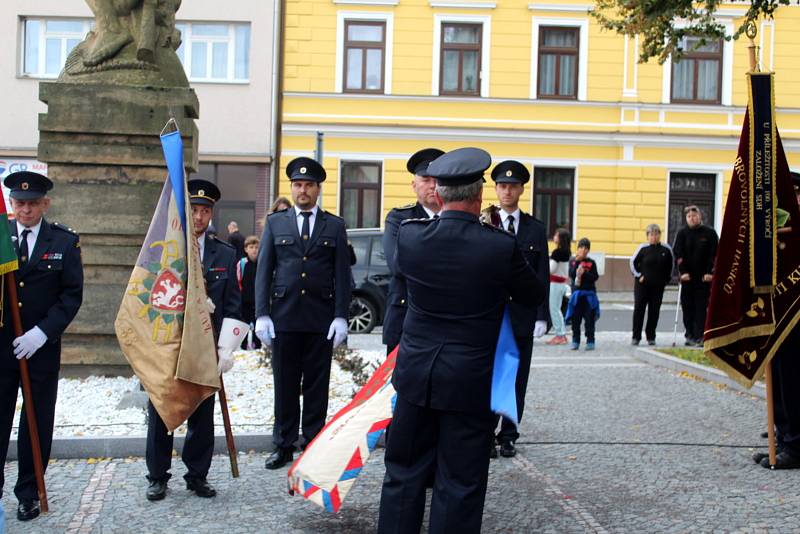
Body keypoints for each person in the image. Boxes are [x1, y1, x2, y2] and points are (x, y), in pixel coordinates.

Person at [377, 147, 545, 534]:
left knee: (402, 474)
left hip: (417, 374)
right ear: (479, 196)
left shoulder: (411, 235)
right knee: (460, 482)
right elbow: (533, 294)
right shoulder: (499, 245)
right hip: (469, 380)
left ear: (438, 194)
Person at [144, 179, 242, 501]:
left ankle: (197, 475)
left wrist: (226, 347)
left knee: (202, 412)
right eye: (194, 210)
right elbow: (150, 296)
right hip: (169, 345)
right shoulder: (165, 249)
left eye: (205, 211)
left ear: (211, 214)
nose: (199, 217)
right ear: (186, 212)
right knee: (162, 410)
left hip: (205, 348)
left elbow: (234, 304)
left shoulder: (224, 254)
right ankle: (157, 475)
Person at [255, 157, 352, 470]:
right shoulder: (275, 223)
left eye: (309, 185)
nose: (303, 190)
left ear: (318, 189)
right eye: (298, 184)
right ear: (292, 188)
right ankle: (282, 444)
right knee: (284, 385)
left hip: (319, 319)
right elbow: (264, 271)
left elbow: (341, 274)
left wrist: (341, 316)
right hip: (284, 317)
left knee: (316, 386)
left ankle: (312, 443)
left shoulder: (334, 226)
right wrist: (261, 314)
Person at [0, 171, 84, 522]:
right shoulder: (2, 237)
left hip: (41, 347)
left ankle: (29, 492)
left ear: (45, 204)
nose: (26, 210)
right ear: (11, 204)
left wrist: (40, 333)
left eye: (33, 203)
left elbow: (71, 295)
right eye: (19, 204)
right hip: (2, 347)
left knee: (37, 420)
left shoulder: (64, 242)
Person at [488, 160, 549, 459]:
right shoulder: (485, 222)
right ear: (496, 189)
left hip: (522, 315)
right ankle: (486, 433)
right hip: (491, 316)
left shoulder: (535, 229)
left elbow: (542, 276)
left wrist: (542, 315)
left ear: (522, 189)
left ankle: (508, 434)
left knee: (517, 377)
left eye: (512, 186)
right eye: (502, 186)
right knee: (489, 374)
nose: (507, 191)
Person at [753, 171, 800, 469]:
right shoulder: (781, 228)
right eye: (790, 195)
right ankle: (782, 439)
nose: (793, 200)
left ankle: (795, 446)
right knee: (782, 378)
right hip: (780, 313)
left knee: (795, 381)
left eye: (797, 194)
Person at [382, 147, 443, 354]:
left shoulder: (457, 219)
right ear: (414, 185)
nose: (433, 185)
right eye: (426, 179)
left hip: (445, 320)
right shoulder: (399, 219)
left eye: (438, 179)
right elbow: (397, 265)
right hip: (404, 316)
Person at [672, 205, 718, 347]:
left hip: (704, 278)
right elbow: (678, 254)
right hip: (687, 278)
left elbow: (715, 254)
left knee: (701, 307)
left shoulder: (709, 233)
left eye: (694, 215)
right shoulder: (682, 233)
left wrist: (710, 272)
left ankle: (701, 335)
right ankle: (689, 334)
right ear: (686, 219)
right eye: (689, 217)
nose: (692, 218)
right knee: (687, 307)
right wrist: (682, 272)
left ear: (700, 216)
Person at [629, 224, 674, 346]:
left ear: (660, 235)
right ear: (647, 236)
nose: (654, 237)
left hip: (658, 287)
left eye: (656, 234)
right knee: (639, 310)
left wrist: (666, 280)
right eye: (651, 234)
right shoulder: (643, 248)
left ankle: (651, 336)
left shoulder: (666, 249)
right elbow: (632, 263)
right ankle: (636, 336)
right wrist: (639, 276)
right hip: (642, 286)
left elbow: (671, 266)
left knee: (654, 311)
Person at [566, 238, 600, 351]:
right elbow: (571, 274)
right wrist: (576, 265)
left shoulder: (591, 263)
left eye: (586, 248)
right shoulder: (573, 261)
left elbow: (595, 277)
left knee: (589, 319)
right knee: (576, 320)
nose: (583, 250)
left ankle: (590, 340)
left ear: (588, 250)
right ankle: (575, 340)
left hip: (589, 295)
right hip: (577, 295)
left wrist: (584, 273)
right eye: (581, 247)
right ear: (578, 248)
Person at [547, 228, 571, 345]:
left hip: (555, 283)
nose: (554, 236)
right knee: (558, 309)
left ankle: (560, 335)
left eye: (556, 235)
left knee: (554, 309)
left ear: (561, 239)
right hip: (562, 283)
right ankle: (562, 334)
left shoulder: (557, 253)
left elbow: (552, 269)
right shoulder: (566, 252)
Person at [238, 235, 260, 349]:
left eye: (256, 247)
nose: (254, 250)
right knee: (244, 326)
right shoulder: (242, 264)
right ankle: (243, 346)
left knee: (258, 328)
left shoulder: (262, 264)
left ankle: (258, 348)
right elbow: (238, 281)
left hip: (258, 302)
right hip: (245, 301)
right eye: (251, 247)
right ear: (246, 249)